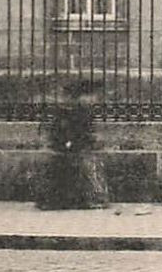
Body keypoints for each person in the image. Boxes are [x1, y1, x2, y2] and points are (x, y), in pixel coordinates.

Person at [36, 79, 109, 210]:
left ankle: (93, 198)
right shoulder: (62, 113)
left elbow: (88, 135)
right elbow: (55, 133)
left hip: (78, 148)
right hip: (64, 148)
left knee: (85, 164)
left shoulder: (83, 113)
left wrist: (73, 142)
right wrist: (66, 143)